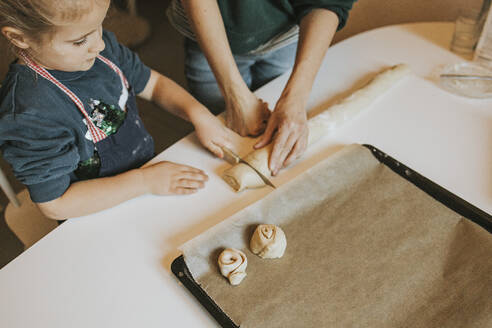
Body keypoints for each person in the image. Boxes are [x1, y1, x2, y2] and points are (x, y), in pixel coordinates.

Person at [0, 0, 235, 220]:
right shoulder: (29, 114)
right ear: (20, 38)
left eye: (99, 26)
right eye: (80, 40)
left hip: (149, 180)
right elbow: (55, 203)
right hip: (94, 212)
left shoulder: (101, 50)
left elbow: (154, 85)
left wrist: (198, 113)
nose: (100, 44)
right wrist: (144, 181)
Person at [167, 0, 356, 175]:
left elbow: (329, 2)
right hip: (209, 39)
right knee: (220, 134)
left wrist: (295, 99)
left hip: (288, 39)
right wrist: (234, 95)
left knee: (274, 129)